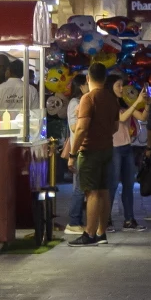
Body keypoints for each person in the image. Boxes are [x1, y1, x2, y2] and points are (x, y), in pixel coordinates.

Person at [68, 63, 118, 247]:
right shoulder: (112, 98)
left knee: (91, 193)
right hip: (107, 150)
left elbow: (81, 128)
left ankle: (89, 234)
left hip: (90, 151)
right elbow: (115, 127)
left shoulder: (88, 98)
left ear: (88, 78)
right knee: (104, 191)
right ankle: (101, 233)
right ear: (105, 79)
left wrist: (73, 153)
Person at [107, 75, 148, 232]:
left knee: (129, 185)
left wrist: (147, 104)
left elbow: (143, 116)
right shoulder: (110, 104)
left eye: (122, 86)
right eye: (118, 85)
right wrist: (136, 103)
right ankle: (106, 219)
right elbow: (122, 117)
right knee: (112, 185)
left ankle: (129, 220)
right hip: (114, 147)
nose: (121, 89)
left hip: (126, 147)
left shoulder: (125, 104)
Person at [63, 72, 89, 236]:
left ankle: (77, 221)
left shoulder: (83, 101)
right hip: (79, 149)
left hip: (84, 149)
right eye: (87, 84)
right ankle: (73, 221)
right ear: (81, 86)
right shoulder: (75, 103)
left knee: (82, 187)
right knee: (80, 187)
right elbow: (74, 127)